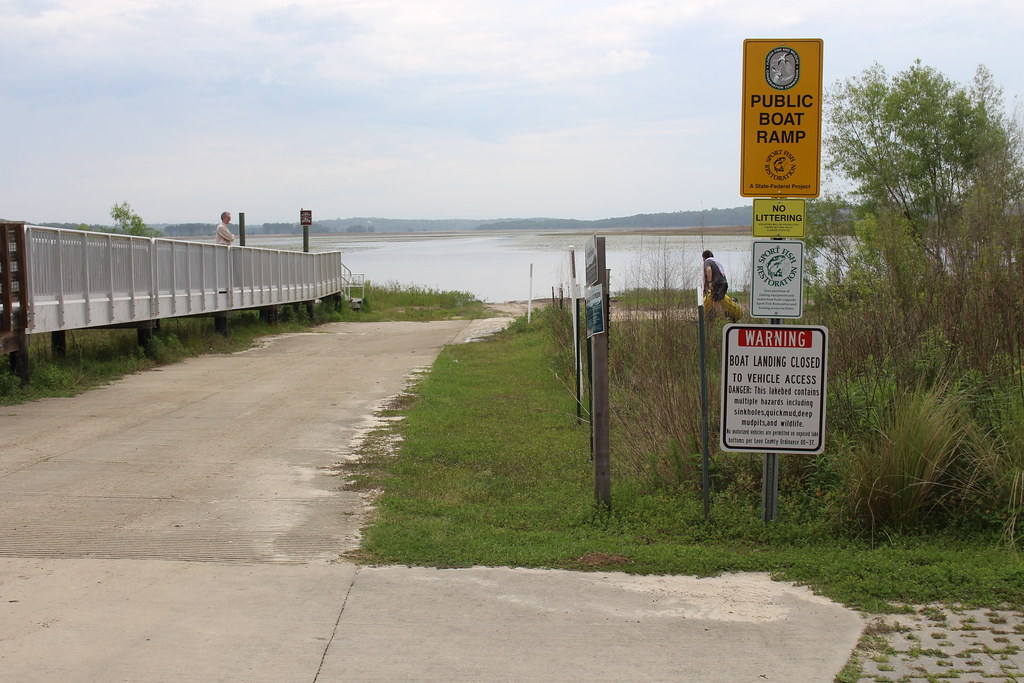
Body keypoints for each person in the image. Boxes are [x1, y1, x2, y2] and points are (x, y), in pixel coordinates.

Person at [702, 250, 740, 321]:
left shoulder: (707, 261)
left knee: (717, 303)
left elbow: (709, 270)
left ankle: (720, 321)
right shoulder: (716, 262)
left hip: (717, 284)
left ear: (704, 257)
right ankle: (723, 317)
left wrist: (710, 282)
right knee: (720, 301)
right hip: (724, 283)